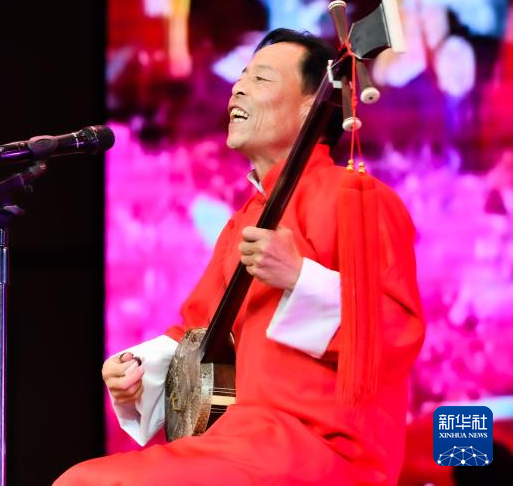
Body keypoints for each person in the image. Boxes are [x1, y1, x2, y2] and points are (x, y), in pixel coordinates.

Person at [57, 29, 425, 485]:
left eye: (262, 78)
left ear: (313, 105)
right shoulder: (244, 221)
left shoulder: (356, 197)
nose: (238, 88)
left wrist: (298, 276)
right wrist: (137, 372)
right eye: (241, 76)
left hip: (324, 446)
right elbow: (197, 333)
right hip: (244, 441)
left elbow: (396, 331)